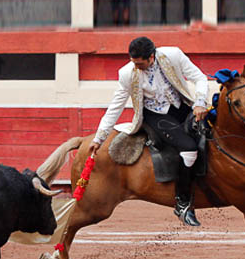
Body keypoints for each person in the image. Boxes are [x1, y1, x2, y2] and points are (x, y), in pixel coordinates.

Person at [88, 36, 209, 226]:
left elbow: (200, 78)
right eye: (133, 62)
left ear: (151, 57)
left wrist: (200, 101)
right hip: (155, 115)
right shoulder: (127, 73)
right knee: (188, 149)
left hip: (182, 106)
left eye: (139, 63)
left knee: (212, 131)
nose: (135, 66)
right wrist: (99, 138)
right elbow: (115, 106)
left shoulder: (174, 55)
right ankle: (183, 202)